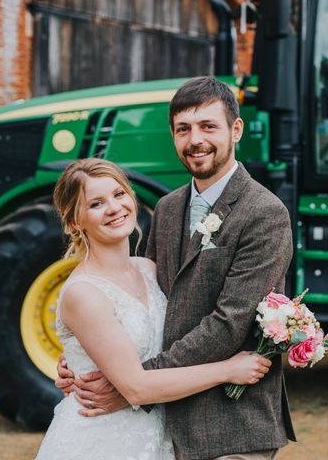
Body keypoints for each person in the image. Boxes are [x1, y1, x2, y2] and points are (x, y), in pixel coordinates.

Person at [56, 77, 296, 459]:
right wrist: (86, 354)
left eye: (208, 126)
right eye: (183, 129)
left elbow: (229, 323)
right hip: (166, 424)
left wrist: (131, 383)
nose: (195, 140)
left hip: (230, 424)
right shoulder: (168, 208)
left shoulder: (264, 213)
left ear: (236, 130)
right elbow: (151, 303)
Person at [35, 158, 272, 459]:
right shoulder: (84, 293)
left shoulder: (148, 270)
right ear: (73, 222)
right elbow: (136, 388)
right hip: (103, 439)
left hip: (158, 436)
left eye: (119, 194)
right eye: (96, 204)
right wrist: (228, 370)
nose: (114, 208)